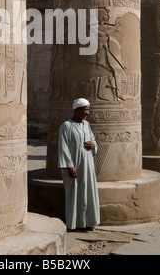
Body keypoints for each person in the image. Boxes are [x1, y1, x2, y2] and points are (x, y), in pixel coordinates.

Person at [58, 98, 100, 231]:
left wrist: (93, 145)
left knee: (88, 192)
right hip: (73, 166)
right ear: (77, 110)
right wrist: (69, 166)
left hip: (87, 165)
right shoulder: (66, 126)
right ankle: (74, 223)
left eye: (88, 110)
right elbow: (63, 147)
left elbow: (93, 140)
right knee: (74, 194)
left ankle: (88, 221)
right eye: (85, 110)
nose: (87, 113)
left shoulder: (86, 125)